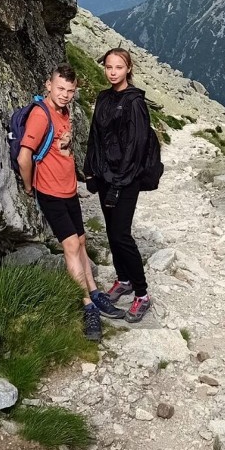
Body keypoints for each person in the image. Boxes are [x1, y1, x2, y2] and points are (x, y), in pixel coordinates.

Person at [17, 63, 124, 342]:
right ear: (48, 85)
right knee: (71, 245)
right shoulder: (41, 116)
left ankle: (94, 291)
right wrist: (30, 188)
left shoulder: (64, 112)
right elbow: (23, 156)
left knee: (82, 240)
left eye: (70, 90)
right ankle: (87, 305)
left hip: (68, 190)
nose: (64, 94)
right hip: (50, 191)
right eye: (60, 88)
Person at [85, 48, 153, 323]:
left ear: (128, 69)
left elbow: (136, 147)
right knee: (113, 234)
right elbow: (95, 137)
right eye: (109, 67)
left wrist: (119, 183)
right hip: (105, 176)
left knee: (122, 234)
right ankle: (123, 279)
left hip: (126, 179)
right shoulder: (103, 98)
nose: (113, 72)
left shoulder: (135, 102)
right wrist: (91, 171)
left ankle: (142, 294)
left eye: (118, 67)